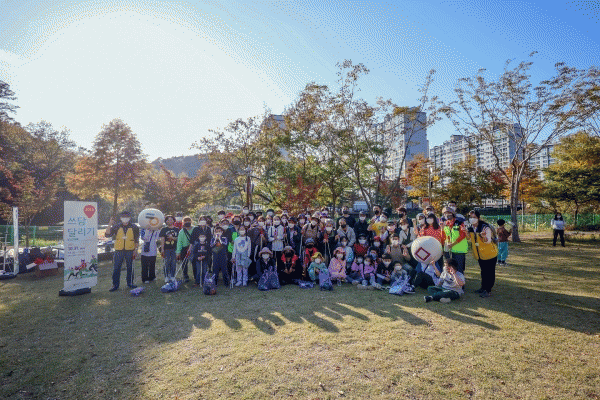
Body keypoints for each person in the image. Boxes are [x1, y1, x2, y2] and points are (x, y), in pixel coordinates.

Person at [105, 210, 140, 291]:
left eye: (127, 217)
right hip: (119, 250)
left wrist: (136, 250)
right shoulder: (116, 226)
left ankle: (130, 283)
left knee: (130, 267)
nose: (125, 218)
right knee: (116, 267)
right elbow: (107, 234)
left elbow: (136, 240)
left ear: (130, 218)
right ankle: (115, 285)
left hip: (130, 250)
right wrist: (110, 223)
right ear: (120, 218)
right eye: (123, 217)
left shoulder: (134, 227)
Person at [468, 210, 498, 298]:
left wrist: (483, 237)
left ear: (478, 218)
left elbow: (488, 241)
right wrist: (466, 233)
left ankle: (488, 290)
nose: (472, 219)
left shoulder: (485, 227)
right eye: (470, 217)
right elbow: (470, 239)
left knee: (490, 273)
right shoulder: (470, 228)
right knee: (483, 272)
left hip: (490, 254)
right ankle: (483, 288)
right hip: (480, 255)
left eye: (474, 217)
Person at [441, 207, 468, 273]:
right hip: (449, 250)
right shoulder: (445, 223)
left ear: (452, 213)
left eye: (448, 213)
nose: (447, 215)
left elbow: (462, 235)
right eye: (445, 213)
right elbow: (444, 237)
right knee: (450, 268)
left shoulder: (459, 222)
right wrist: (442, 229)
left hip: (459, 249)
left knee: (459, 269)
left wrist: (453, 244)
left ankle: (460, 279)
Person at [140, 217, 161, 283]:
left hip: (153, 249)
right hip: (145, 249)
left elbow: (158, 237)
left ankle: (152, 277)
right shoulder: (143, 229)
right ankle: (145, 278)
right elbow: (144, 238)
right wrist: (147, 230)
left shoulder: (155, 229)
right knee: (145, 264)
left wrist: (157, 229)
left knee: (152, 264)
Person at [158, 215, 179, 283]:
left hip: (174, 248)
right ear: (166, 221)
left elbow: (178, 239)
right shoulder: (164, 229)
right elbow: (162, 240)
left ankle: (172, 276)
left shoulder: (177, 229)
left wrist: (172, 238)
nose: (169, 221)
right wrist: (162, 249)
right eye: (168, 220)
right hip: (166, 249)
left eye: (171, 219)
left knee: (173, 262)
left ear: (173, 220)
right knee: (166, 262)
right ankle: (166, 276)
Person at [176, 216, 194, 282]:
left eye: (189, 221)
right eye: (185, 221)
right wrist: (178, 252)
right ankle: (185, 276)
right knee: (184, 263)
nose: (187, 222)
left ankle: (196, 276)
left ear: (191, 221)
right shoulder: (181, 231)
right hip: (184, 248)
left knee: (194, 262)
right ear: (183, 222)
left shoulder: (195, 229)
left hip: (193, 248)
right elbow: (179, 242)